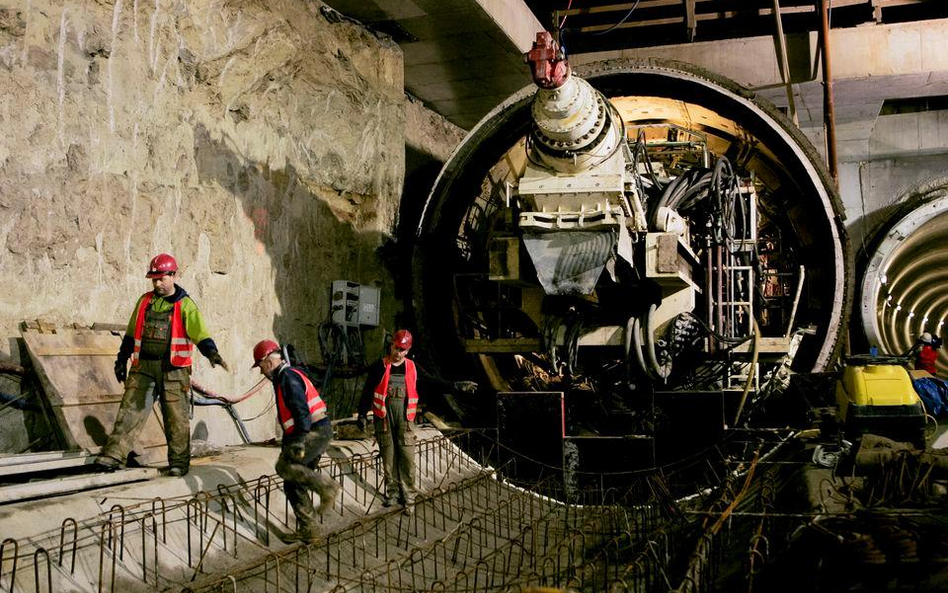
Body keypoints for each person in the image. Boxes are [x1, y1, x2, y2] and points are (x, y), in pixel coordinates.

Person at [96, 253, 229, 476]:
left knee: (176, 417)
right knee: (130, 411)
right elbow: (131, 333)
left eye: (162, 279)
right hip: (143, 368)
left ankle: (178, 463)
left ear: (173, 276)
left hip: (174, 370)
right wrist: (121, 358)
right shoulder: (144, 301)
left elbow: (200, 334)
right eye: (154, 279)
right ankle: (113, 455)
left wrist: (212, 353)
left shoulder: (185, 305)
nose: (157, 283)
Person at [357, 329, 476, 512]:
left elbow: (431, 381)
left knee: (407, 457)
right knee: (388, 459)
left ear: (408, 349)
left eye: (402, 350)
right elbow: (367, 391)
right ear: (391, 345)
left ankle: (409, 496)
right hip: (385, 419)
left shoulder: (412, 367)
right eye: (396, 348)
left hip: (405, 420)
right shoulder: (380, 366)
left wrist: (455, 386)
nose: (398, 353)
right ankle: (393, 493)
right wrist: (362, 413)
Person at [252, 339, 340, 543]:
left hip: (313, 432)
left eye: (260, 366)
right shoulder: (286, 377)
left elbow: (302, 412)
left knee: (284, 466)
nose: (261, 371)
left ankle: (326, 487)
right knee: (292, 483)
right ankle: (309, 530)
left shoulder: (288, 378)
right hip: (314, 431)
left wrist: (299, 441)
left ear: (269, 361)